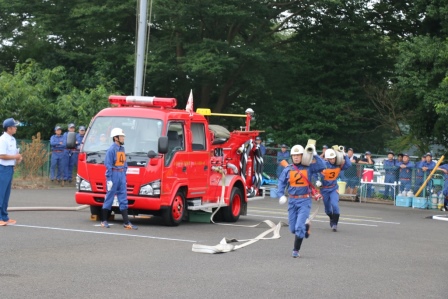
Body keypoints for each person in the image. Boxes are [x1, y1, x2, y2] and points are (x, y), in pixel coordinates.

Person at [277, 144, 326, 258]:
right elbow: (281, 182)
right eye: (294, 155)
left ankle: (296, 250)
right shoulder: (288, 169)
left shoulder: (309, 167)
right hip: (292, 201)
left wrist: (315, 154)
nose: (296, 157)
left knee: (299, 228)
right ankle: (306, 226)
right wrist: (280, 195)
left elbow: (322, 166)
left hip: (304, 200)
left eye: (298, 155)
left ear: (302, 156)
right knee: (293, 229)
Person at [101, 128, 137, 230]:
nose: (123, 138)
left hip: (121, 175)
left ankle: (126, 222)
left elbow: (124, 163)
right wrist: (109, 179)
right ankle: (104, 221)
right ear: (116, 138)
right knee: (109, 198)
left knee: (123, 198)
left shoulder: (122, 149)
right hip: (114, 174)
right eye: (121, 136)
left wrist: (124, 174)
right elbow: (108, 165)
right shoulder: (111, 150)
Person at [319, 149, 351, 232]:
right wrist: (317, 180)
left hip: (333, 188)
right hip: (324, 189)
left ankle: (334, 224)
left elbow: (348, 164)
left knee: (335, 205)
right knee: (327, 210)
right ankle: (331, 218)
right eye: (331, 158)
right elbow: (314, 170)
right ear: (327, 159)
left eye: (334, 158)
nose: (332, 160)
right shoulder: (323, 165)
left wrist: (344, 155)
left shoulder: (338, 165)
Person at [0, 118, 22, 226]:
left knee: (6, 194)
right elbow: (2, 155)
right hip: (2, 168)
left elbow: (13, 154)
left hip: (9, 168)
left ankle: (4, 216)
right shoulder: (3, 139)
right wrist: (15, 156)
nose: (16, 128)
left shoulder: (12, 139)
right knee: (1, 193)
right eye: (14, 126)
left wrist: (17, 158)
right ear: (9, 128)